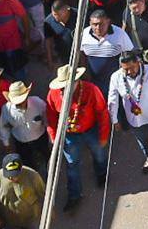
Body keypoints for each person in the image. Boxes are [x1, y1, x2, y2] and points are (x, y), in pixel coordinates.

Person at [45, 65, 110, 212]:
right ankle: (74, 195)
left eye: (65, 86)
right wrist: (54, 139)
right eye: (61, 87)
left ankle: (101, 174)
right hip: (69, 135)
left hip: (91, 130)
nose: (62, 90)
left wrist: (104, 135)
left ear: (76, 81)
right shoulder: (53, 94)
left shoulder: (91, 89)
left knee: (99, 154)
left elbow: (102, 112)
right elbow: (51, 118)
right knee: (72, 165)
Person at [107, 50, 148, 173]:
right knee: (143, 141)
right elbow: (112, 100)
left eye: (132, 68)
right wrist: (115, 120)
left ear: (138, 62)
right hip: (133, 119)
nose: (129, 72)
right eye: (125, 69)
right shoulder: (116, 77)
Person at [0, 154, 45, 229]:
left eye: (15, 175)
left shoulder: (33, 176)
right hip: (9, 217)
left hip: (32, 217)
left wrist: (48, 212)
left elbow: (43, 194)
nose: (12, 178)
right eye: (9, 175)